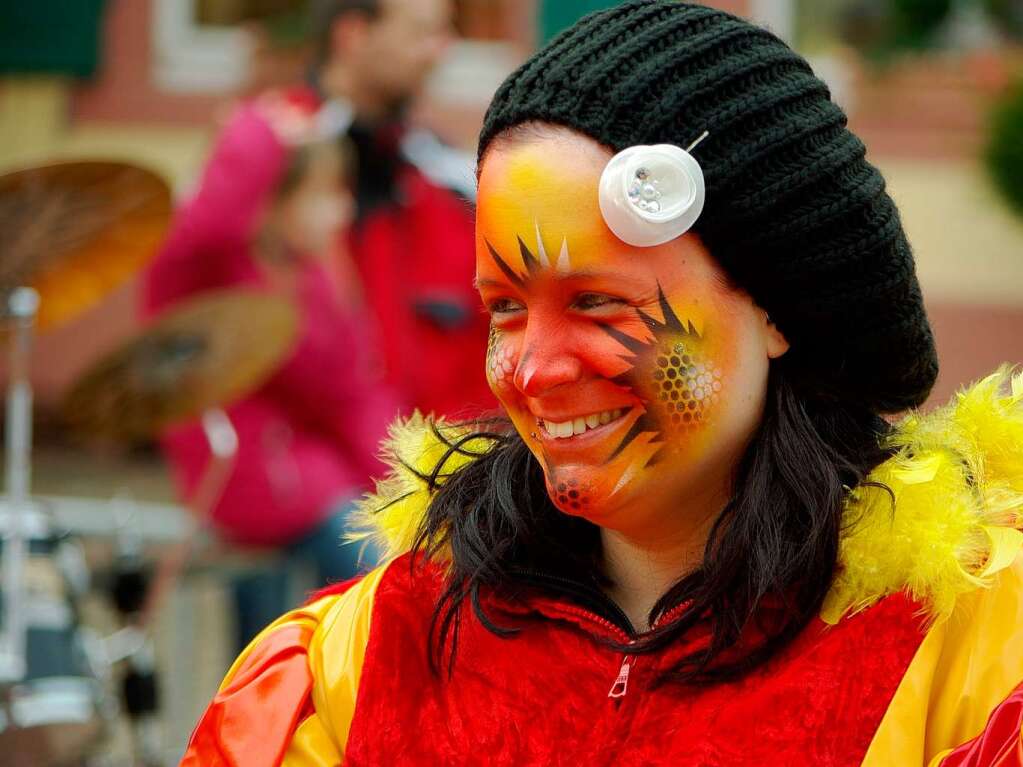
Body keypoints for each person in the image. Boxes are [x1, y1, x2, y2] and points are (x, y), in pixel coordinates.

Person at [179, 3, 1023, 765]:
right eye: (503, 309)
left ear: (777, 308)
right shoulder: (361, 658)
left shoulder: (973, 652)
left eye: (596, 302)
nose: (533, 369)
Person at [143, 90, 397, 650]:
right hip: (248, 483)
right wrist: (260, 128)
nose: (344, 210)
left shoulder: (313, 280)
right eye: (326, 193)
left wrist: (404, 480)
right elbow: (212, 217)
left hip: (299, 481)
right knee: (372, 583)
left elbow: (350, 394)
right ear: (272, 199)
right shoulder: (205, 273)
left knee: (264, 646)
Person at [309, 0, 495, 418]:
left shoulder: (447, 177)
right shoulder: (266, 167)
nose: (440, 50)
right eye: (422, 32)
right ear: (353, 34)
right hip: (316, 476)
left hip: (441, 467)